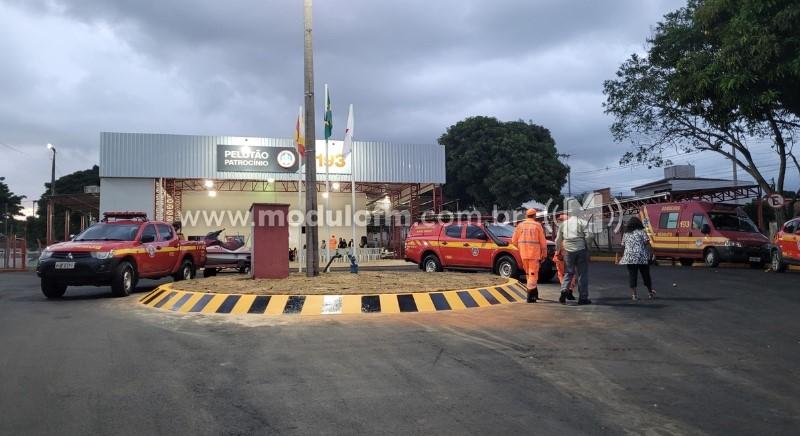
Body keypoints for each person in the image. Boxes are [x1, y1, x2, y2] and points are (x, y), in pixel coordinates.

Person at [555, 206, 594, 305]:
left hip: (568, 251)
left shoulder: (564, 224)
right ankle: (583, 298)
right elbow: (590, 236)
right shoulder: (583, 222)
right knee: (582, 274)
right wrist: (588, 247)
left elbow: (558, 240)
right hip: (581, 249)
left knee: (569, 272)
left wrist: (558, 250)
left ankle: (564, 290)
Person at [512, 208, 548, 303]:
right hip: (534, 254)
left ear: (526, 216)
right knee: (533, 274)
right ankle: (530, 295)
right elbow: (543, 242)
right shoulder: (537, 225)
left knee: (528, 273)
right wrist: (544, 254)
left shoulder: (520, 225)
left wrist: (520, 247)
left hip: (523, 254)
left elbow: (514, 241)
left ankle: (534, 294)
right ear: (535, 216)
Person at [620, 217, 656, 300]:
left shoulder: (626, 234)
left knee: (632, 275)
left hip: (630, 257)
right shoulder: (642, 232)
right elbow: (647, 243)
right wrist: (652, 253)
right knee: (646, 274)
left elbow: (622, 246)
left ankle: (634, 295)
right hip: (641, 257)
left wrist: (623, 255)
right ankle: (650, 293)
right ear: (639, 224)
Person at [553, 214, 576, 300]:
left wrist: (558, 253)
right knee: (571, 274)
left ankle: (564, 290)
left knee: (561, 274)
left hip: (562, 256)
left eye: (560, 220)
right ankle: (570, 291)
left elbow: (558, 242)